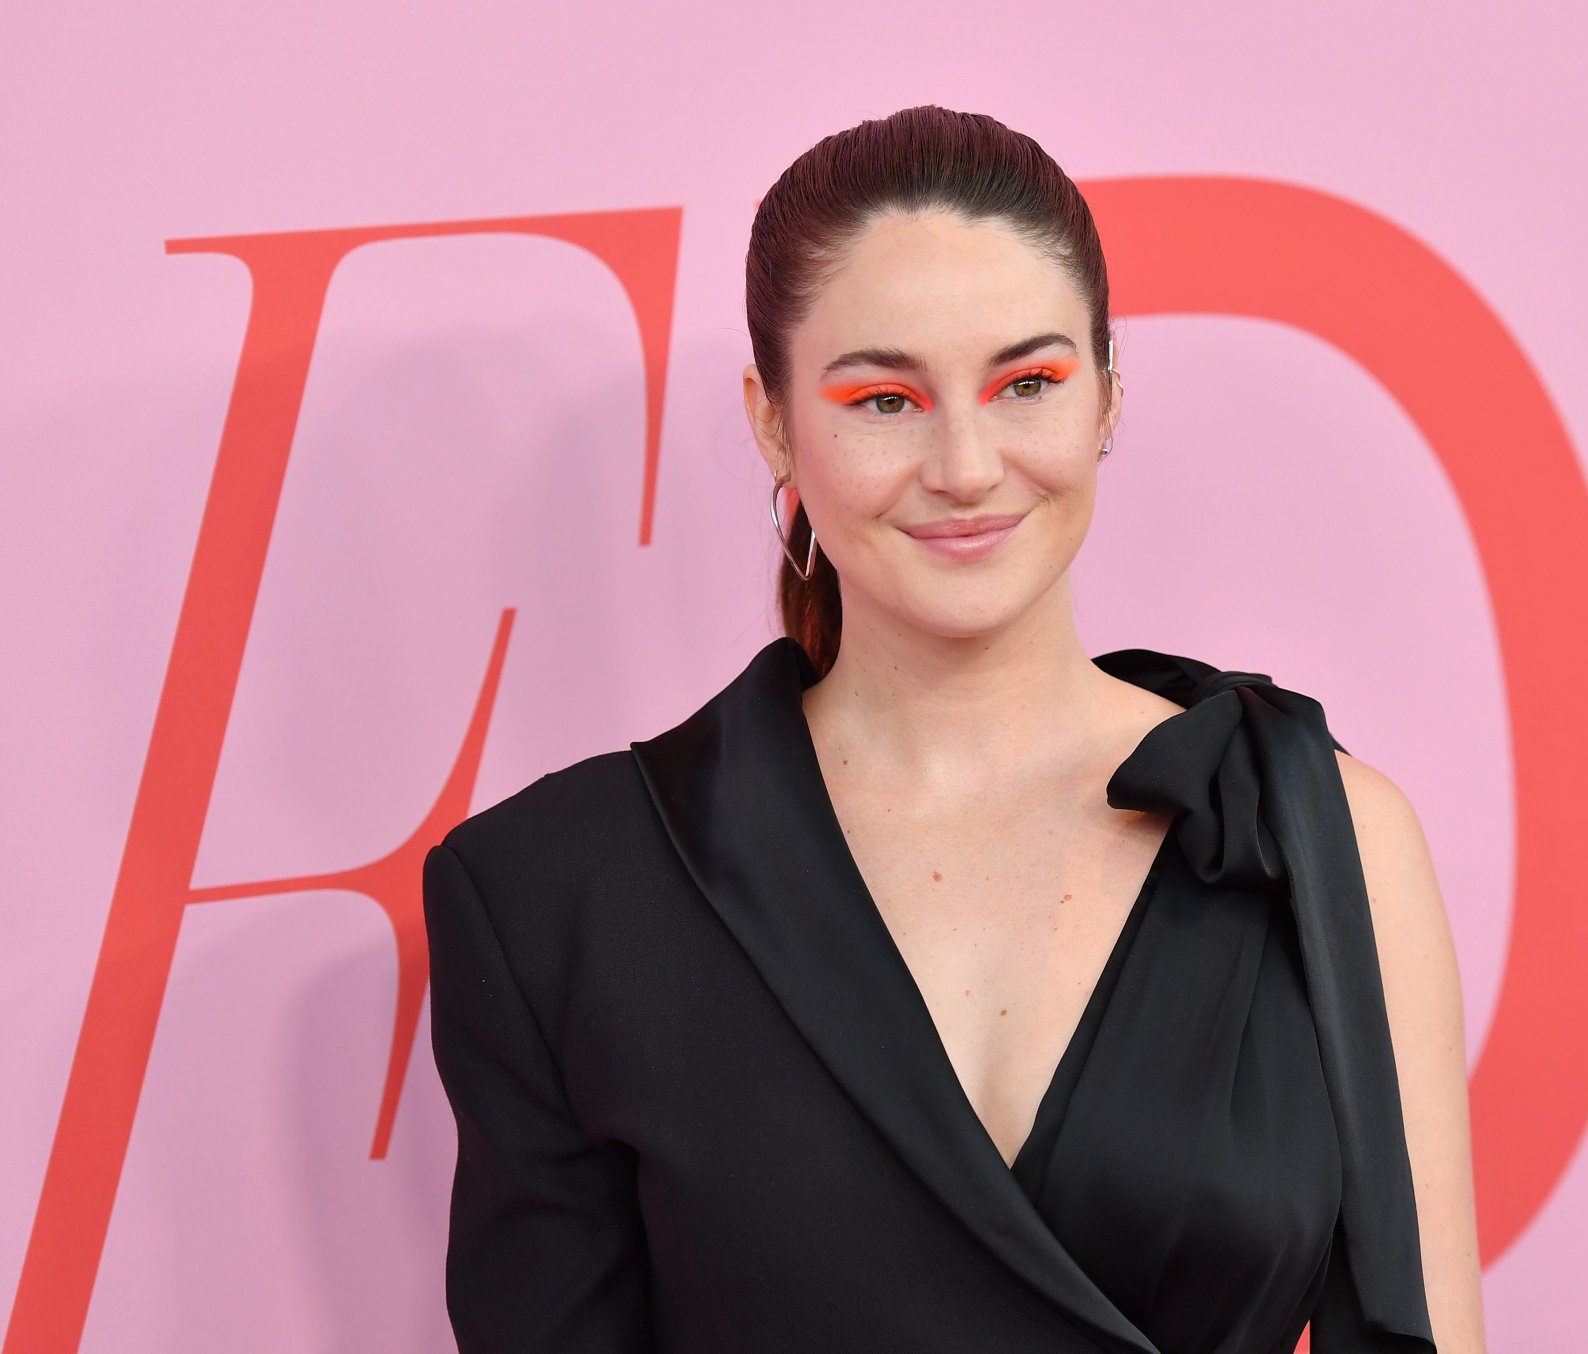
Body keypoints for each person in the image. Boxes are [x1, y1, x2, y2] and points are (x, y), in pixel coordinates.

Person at [423, 104, 1486, 1354]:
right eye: (885, 399)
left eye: (1025, 382)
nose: (967, 464)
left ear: (1105, 397)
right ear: (773, 422)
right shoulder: (555, 894)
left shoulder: (1317, 835)